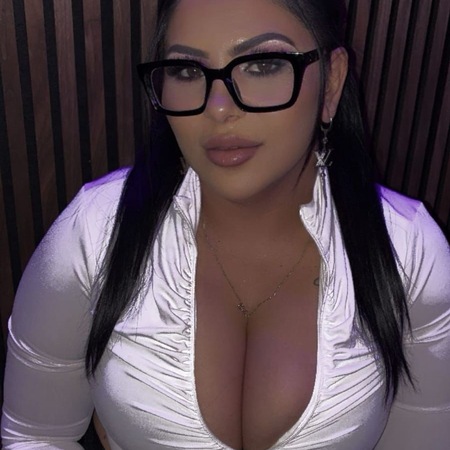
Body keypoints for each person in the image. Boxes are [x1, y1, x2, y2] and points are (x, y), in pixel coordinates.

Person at [2, 0, 450, 449]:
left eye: (263, 64)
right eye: (187, 71)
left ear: (331, 82)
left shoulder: (411, 253)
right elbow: (36, 434)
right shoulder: (93, 235)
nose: (218, 108)